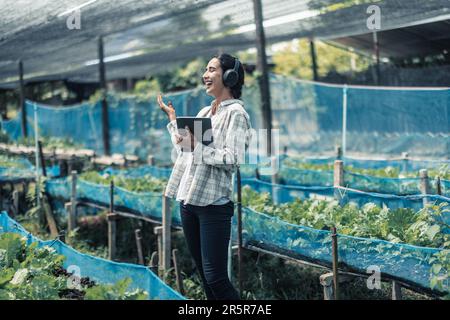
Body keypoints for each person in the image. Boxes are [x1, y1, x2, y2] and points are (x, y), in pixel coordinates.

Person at [157, 53, 251, 300]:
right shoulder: (205, 112)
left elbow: (232, 159)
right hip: (189, 201)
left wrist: (197, 146)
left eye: (211, 70)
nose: (205, 75)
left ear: (229, 77)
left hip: (213, 206)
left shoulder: (236, 115)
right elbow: (187, 152)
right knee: (205, 279)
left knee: (216, 279)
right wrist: (174, 122)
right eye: (205, 70)